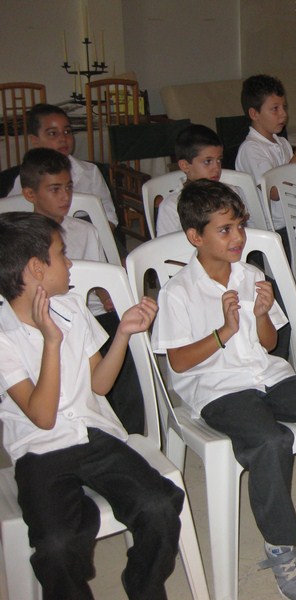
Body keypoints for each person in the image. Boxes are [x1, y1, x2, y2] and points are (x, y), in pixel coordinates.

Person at [151, 180, 296, 600]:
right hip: (217, 387)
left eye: (239, 226)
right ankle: (280, 545)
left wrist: (261, 314)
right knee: (268, 442)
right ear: (194, 237)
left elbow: (268, 344)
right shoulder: (178, 291)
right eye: (224, 230)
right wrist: (223, 332)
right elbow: (180, 363)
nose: (238, 237)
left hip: (266, 373)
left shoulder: (251, 275)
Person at [0, 211, 183, 600]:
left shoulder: (71, 308)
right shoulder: (3, 336)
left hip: (93, 434)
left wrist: (123, 334)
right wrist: (51, 341)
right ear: (35, 268)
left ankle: (143, 587)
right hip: (40, 450)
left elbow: (99, 384)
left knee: (160, 503)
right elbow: (43, 417)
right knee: (57, 545)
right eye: (61, 254)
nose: (69, 263)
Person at [18, 147, 145, 434]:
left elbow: (99, 281)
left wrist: (107, 295)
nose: (65, 197)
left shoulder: (85, 231)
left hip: (90, 316)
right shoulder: (21, 239)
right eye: (54, 189)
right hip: (40, 321)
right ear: (30, 195)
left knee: (126, 355)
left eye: (68, 188)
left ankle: (126, 431)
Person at [235, 74, 296, 252]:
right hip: (274, 230)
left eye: (284, 107)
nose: (283, 114)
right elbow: (274, 192)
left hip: (294, 220)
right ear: (254, 113)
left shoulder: (282, 143)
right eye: (275, 108)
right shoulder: (251, 149)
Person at [8, 104, 117, 230]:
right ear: (35, 140)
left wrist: (97, 237)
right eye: (53, 133)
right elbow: (11, 215)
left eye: (67, 131)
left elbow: (108, 214)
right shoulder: (26, 178)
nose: (63, 138)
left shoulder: (90, 172)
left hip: (89, 234)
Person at [156, 124, 224, 237]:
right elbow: (165, 249)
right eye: (208, 161)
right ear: (185, 166)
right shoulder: (172, 206)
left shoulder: (230, 193)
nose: (217, 168)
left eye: (219, 160)